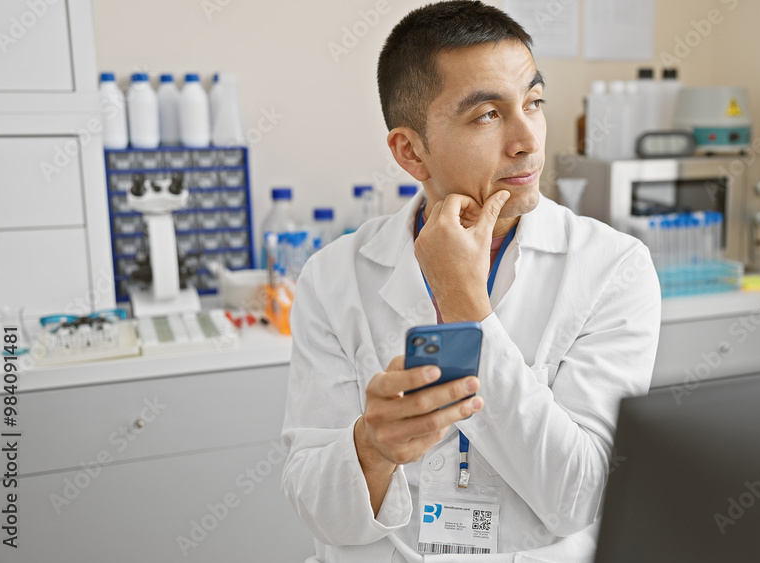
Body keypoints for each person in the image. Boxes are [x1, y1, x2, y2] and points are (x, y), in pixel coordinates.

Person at [280, 2, 660, 561]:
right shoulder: (334, 276)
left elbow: (579, 497)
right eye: (488, 114)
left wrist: (465, 305)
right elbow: (318, 508)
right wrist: (373, 447)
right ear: (411, 151)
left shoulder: (612, 267)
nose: (527, 139)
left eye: (534, 102)